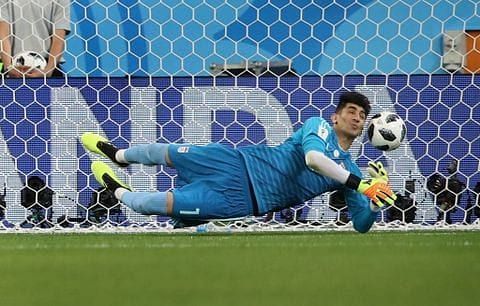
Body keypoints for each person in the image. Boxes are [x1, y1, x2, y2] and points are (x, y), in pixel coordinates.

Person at [82, 91, 396, 233]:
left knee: (150, 205)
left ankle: (116, 189)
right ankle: (118, 155)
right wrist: (362, 184)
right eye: (351, 111)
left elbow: (360, 226)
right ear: (336, 116)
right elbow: (314, 159)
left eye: (362, 115)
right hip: (236, 162)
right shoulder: (319, 127)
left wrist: (371, 205)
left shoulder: (351, 172)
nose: (356, 117)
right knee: (167, 151)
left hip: (240, 200)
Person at [0, 0, 70, 77]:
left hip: (46, 66)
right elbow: (3, 34)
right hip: (14, 66)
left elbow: (59, 38)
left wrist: (48, 70)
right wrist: (9, 67)